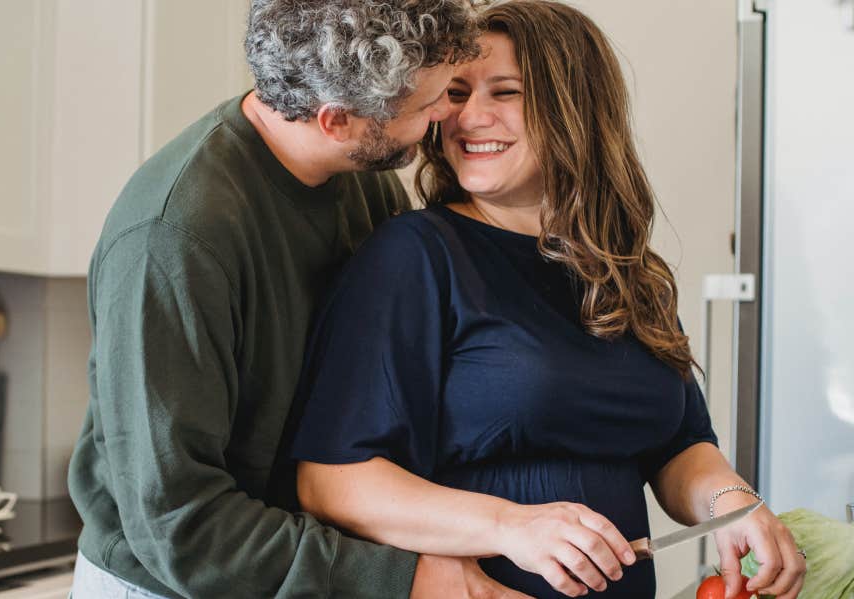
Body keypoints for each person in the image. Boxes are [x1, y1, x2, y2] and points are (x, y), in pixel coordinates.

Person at [291, 2, 807, 598]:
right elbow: (330, 481)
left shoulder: (624, 269)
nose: (468, 117)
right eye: (455, 94)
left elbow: (678, 444)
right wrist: (512, 525)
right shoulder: (414, 256)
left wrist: (733, 503)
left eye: (504, 92)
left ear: (574, 108)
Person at [66, 1, 530, 597]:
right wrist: (403, 579)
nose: (450, 114)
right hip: (170, 582)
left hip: (290, 565)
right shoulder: (174, 238)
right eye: (429, 103)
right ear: (337, 120)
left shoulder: (365, 184)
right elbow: (180, 524)